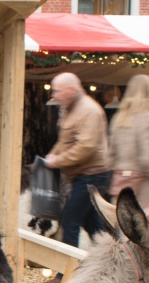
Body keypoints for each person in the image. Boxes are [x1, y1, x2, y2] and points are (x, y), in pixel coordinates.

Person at [43, 72, 111, 247]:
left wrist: (57, 161)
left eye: (57, 91)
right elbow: (65, 140)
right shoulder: (70, 109)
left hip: (91, 175)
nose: (54, 96)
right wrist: (53, 154)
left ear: (71, 90)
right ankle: (110, 255)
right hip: (83, 175)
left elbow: (86, 147)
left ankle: (65, 271)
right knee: (91, 223)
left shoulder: (89, 111)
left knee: (70, 220)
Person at [107, 74, 149, 207]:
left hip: (120, 181)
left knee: (119, 222)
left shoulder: (120, 118)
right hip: (141, 184)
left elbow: (110, 154)